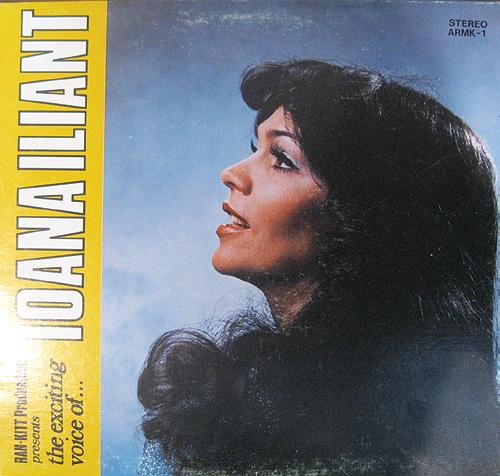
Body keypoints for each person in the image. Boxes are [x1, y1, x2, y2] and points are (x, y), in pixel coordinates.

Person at [138, 60, 499, 475]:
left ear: (370, 219)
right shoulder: (261, 394)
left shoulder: (424, 444)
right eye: (256, 148)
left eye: (282, 159)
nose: (232, 174)